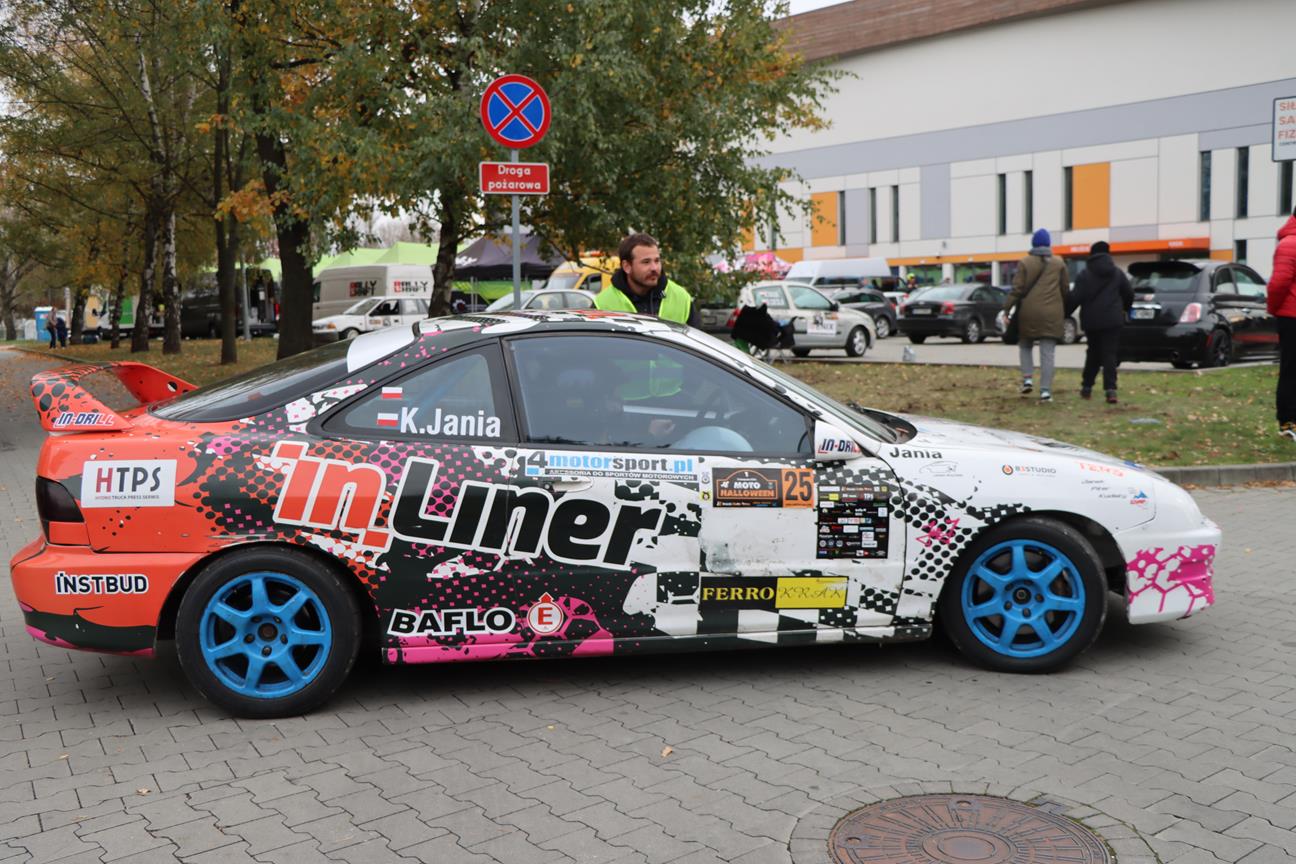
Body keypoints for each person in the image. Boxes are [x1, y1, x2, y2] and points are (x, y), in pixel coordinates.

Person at [1004, 228, 1069, 402]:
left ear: (1033, 243)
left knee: (1025, 345)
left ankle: (1027, 379)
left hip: (1028, 312)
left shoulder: (1025, 262)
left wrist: (1006, 309)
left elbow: (1017, 289)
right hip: (1052, 314)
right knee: (1048, 353)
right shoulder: (1059, 263)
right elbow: (1065, 289)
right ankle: (1046, 391)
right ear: (1048, 244)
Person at [1067, 241, 1133, 404]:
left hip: (1092, 321)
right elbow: (1129, 293)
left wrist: (1064, 313)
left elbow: (1075, 298)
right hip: (1112, 320)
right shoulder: (1117, 273)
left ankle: (1086, 387)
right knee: (1110, 354)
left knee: (1093, 353)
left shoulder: (1084, 274)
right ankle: (1111, 391)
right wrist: (1124, 308)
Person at [595, 233, 698, 327]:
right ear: (627, 266)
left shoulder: (681, 298)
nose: (654, 268)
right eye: (646, 262)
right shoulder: (602, 304)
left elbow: (699, 339)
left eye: (657, 261)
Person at [1267, 205, 1296, 441]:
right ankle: (1287, 421)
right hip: (1292, 316)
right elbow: (1279, 283)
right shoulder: (1289, 244)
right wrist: (1274, 308)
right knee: (1291, 369)